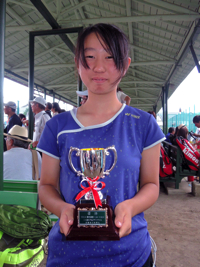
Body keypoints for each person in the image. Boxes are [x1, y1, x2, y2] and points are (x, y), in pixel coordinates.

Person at [37, 23, 165, 267]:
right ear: (78, 62)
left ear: (125, 65)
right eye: (89, 57)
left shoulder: (143, 124)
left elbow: (150, 184)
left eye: (109, 57)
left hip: (130, 254)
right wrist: (62, 208)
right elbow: (46, 186)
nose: (98, 67)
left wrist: (130, 206)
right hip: (68, 256)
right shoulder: (57, 126)